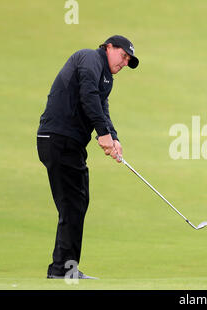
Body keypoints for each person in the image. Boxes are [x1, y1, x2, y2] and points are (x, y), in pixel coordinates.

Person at [37, 35, 139, 279]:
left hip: (68, 144)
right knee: (73, 203)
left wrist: (113, 137)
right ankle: (62, 270)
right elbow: (88, 94)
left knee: (77, 202)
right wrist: (102, 134)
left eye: (128, 60)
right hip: (58, 138)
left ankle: (63, 268)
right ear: (108, 47)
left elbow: (101, 106)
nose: (124, 63)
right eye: (123, 56)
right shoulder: (90, 58)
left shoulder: (107, 78)